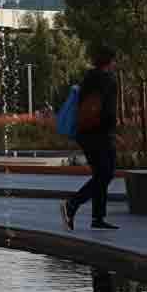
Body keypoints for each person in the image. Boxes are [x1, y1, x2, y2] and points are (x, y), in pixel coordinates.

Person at [62, 46, 119, 231]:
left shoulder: (89, 78)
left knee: (100, 174)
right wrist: (113, 132)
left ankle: (97, 217)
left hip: (85, 133)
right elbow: (108, 110)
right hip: (100, 134)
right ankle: (72, 204)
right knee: (106, 173)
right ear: (110, 62)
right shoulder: (108, 80)